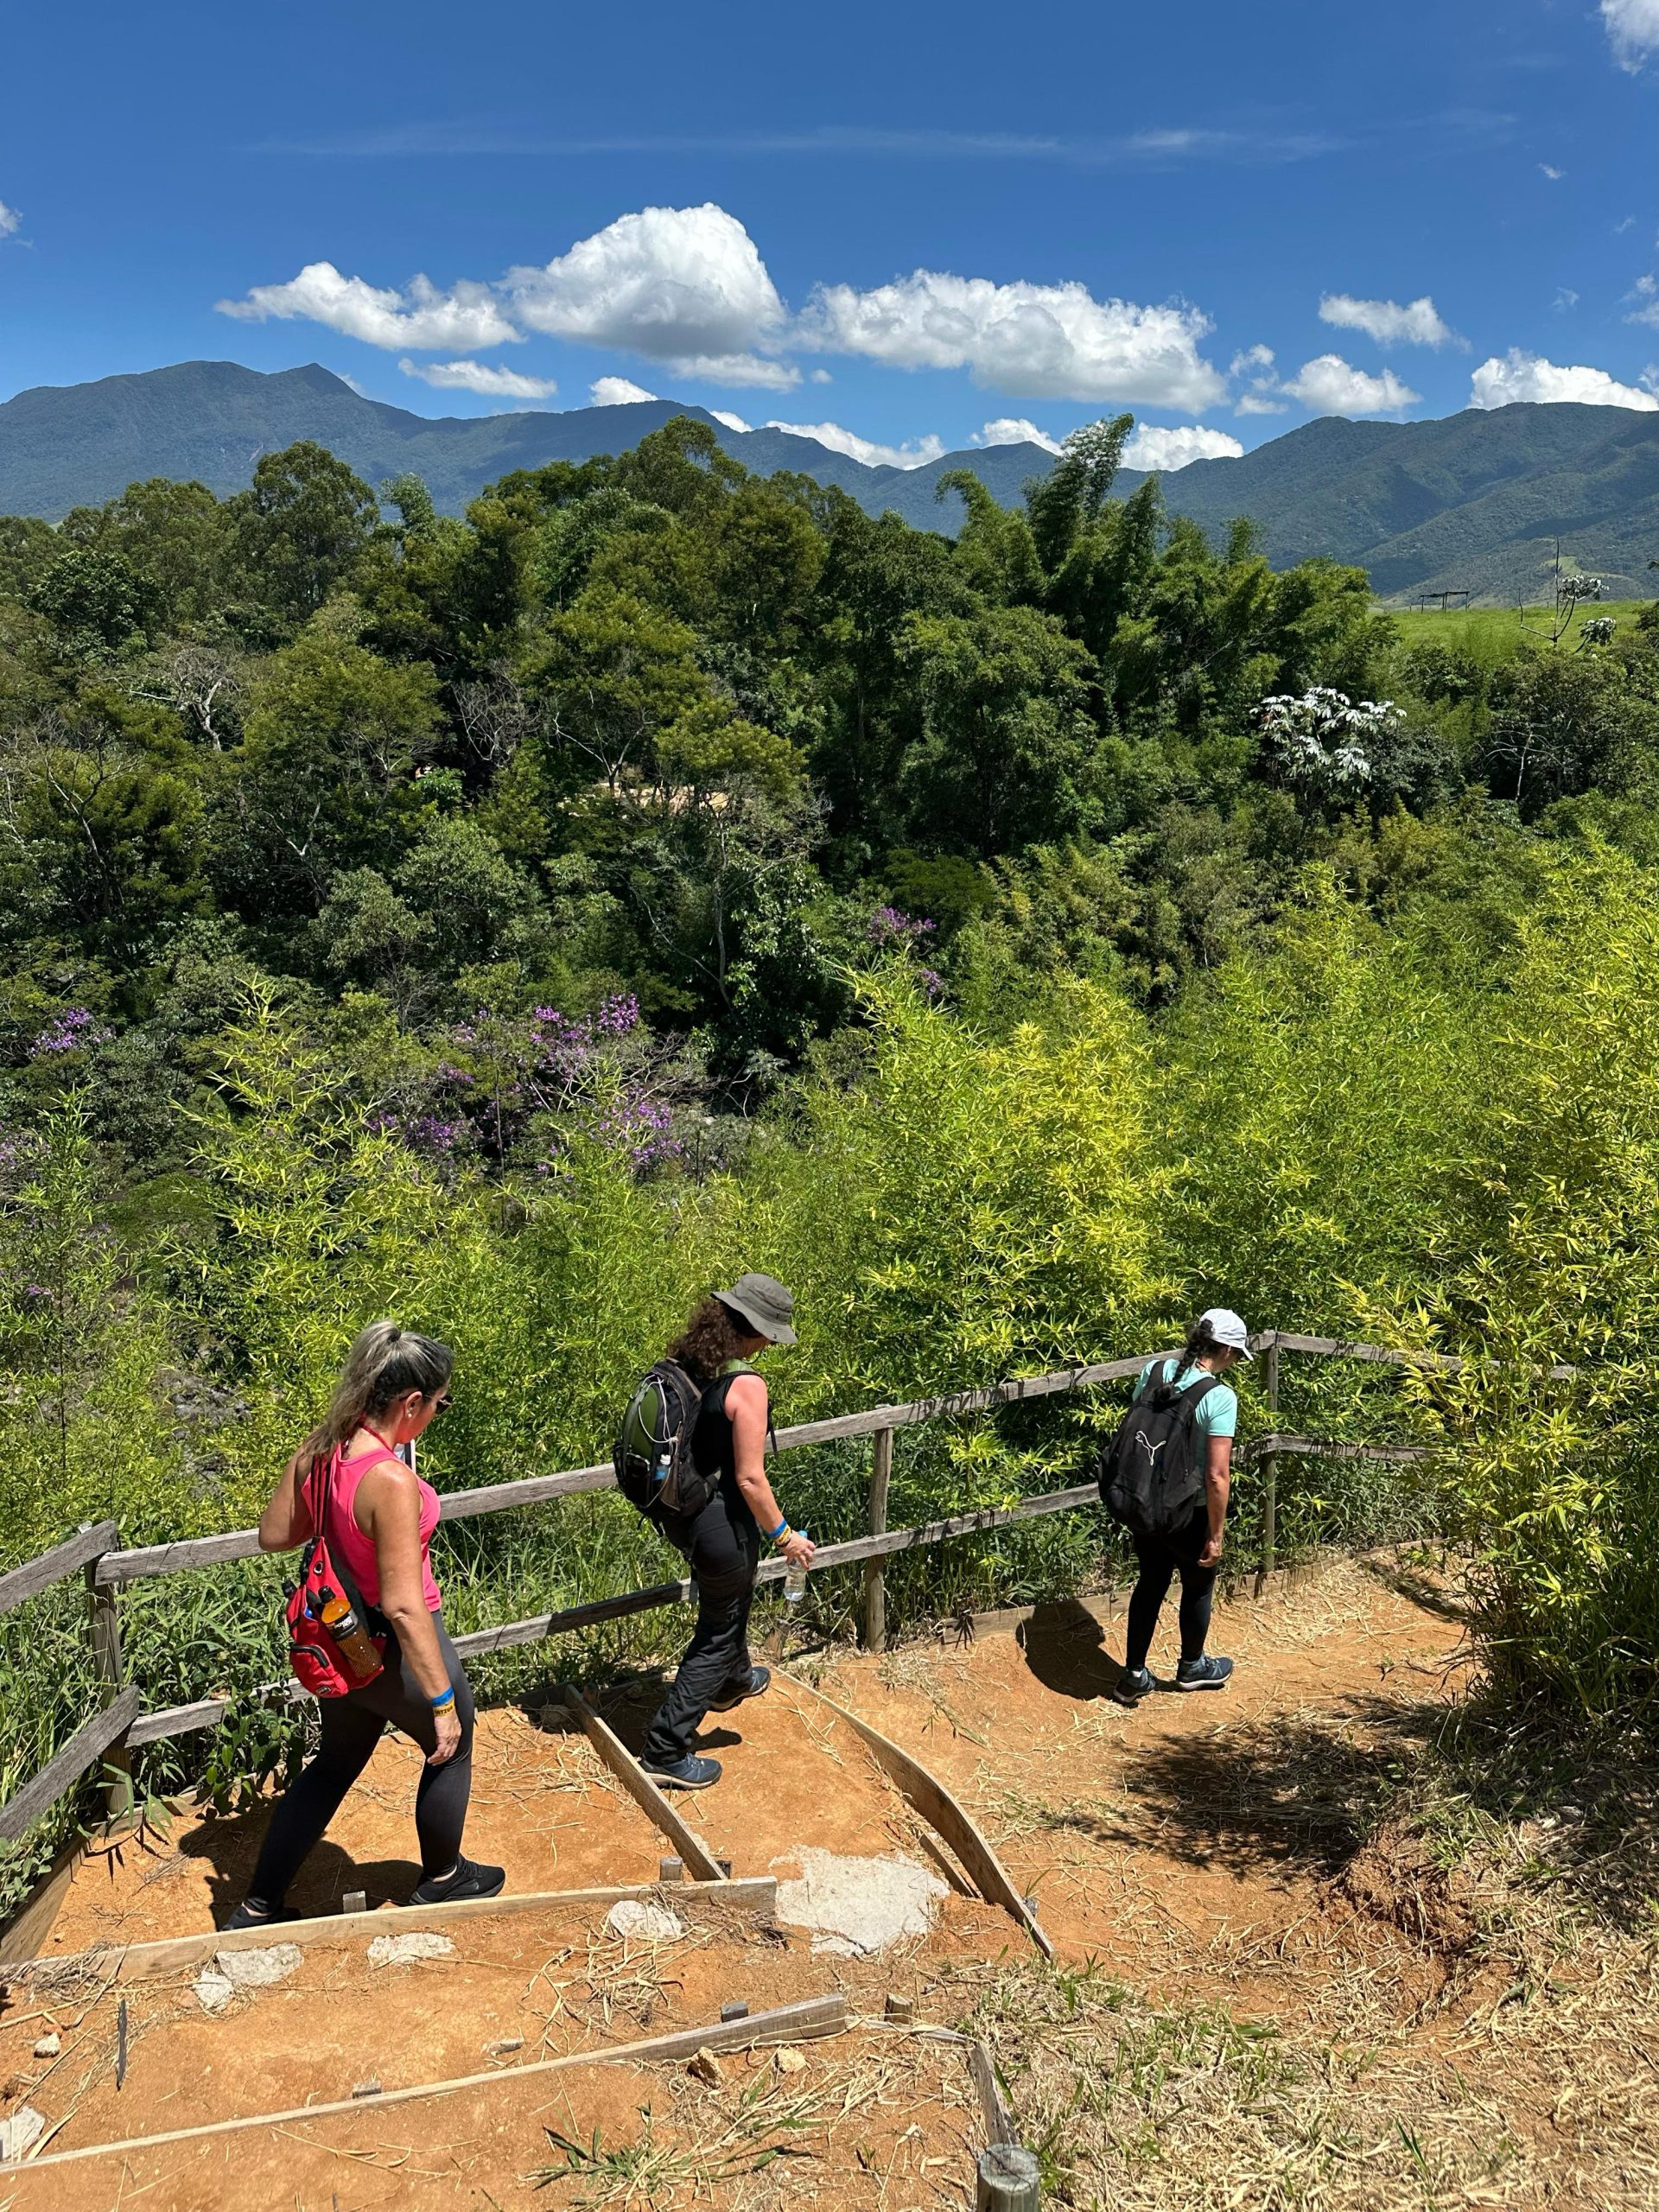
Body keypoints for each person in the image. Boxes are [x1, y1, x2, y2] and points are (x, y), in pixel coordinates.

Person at [226, 1322, 504, 1928]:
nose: (435, 1414)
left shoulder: (327, 1451)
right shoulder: (391, 1480)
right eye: (438, 1403)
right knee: (450, 1745)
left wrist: (308, 1465)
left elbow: (275, 1534)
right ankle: (443, 1879)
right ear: (410, 1403)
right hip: (393, 1640)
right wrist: (438, 1697)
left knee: (335, 1762)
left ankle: (257, 1905)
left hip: (341, 1639)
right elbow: (405, 1605)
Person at [639, 1274, 815, 1789]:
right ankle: (666, 1749)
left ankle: (732, 1681)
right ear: (758, 1331)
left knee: (731, 1602)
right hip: (719, 1526)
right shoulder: (747, 1386)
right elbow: (750, 1478)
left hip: (689, 1517)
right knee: (717, 1629)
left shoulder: (690, 1369)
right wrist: (785, 1537)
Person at [1113, 1307, 1249, 1705]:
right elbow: (1216, 1476)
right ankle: (1192, 1666)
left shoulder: (1154, 1371)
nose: (1236, 1361)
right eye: (1237, 1353)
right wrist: (1216, 1534)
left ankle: (1134, 1675)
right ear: (1224, 1348)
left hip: (1143, 1501)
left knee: (1150, 1582)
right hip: (1186, 1510)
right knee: (1199, 1583)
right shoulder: (1220, 1397)